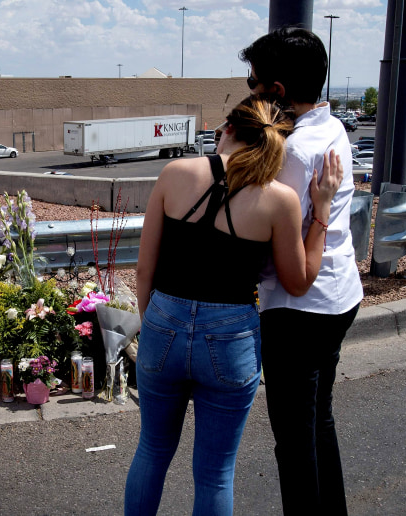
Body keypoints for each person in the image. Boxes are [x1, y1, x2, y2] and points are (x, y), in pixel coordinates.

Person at [124, 94, 343, 515]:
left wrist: (155, 325)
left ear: (226, 130)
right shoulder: (280, 200)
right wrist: (322, 211)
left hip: (164, 322)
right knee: (215, 473)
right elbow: (299, 282)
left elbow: (144, 270)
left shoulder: (176, 173)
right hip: (230, 334)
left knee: (151, 452)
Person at [240, 27, 363, 516]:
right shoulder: (331, 128)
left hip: (297, 309)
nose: (249, 93)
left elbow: (281, 253)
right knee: (318, 422)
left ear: (277, 91)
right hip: (340, 295)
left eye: (254, 84)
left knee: (294, 440)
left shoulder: (289, 152)